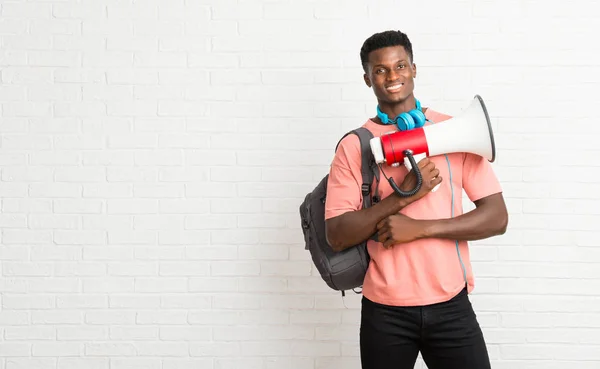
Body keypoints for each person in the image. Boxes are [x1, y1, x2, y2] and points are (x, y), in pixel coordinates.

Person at [323, 30, 509, 369]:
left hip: (451, 303)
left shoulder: (455, 132)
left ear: (414, 69)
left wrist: (419, 229)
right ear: (367, 78)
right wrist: (406, 192)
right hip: (385, 312)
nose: (392, 76)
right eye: (380, 70)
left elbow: (497, 218)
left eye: (400, 66)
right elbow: (337, 234)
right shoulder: (355, 146)